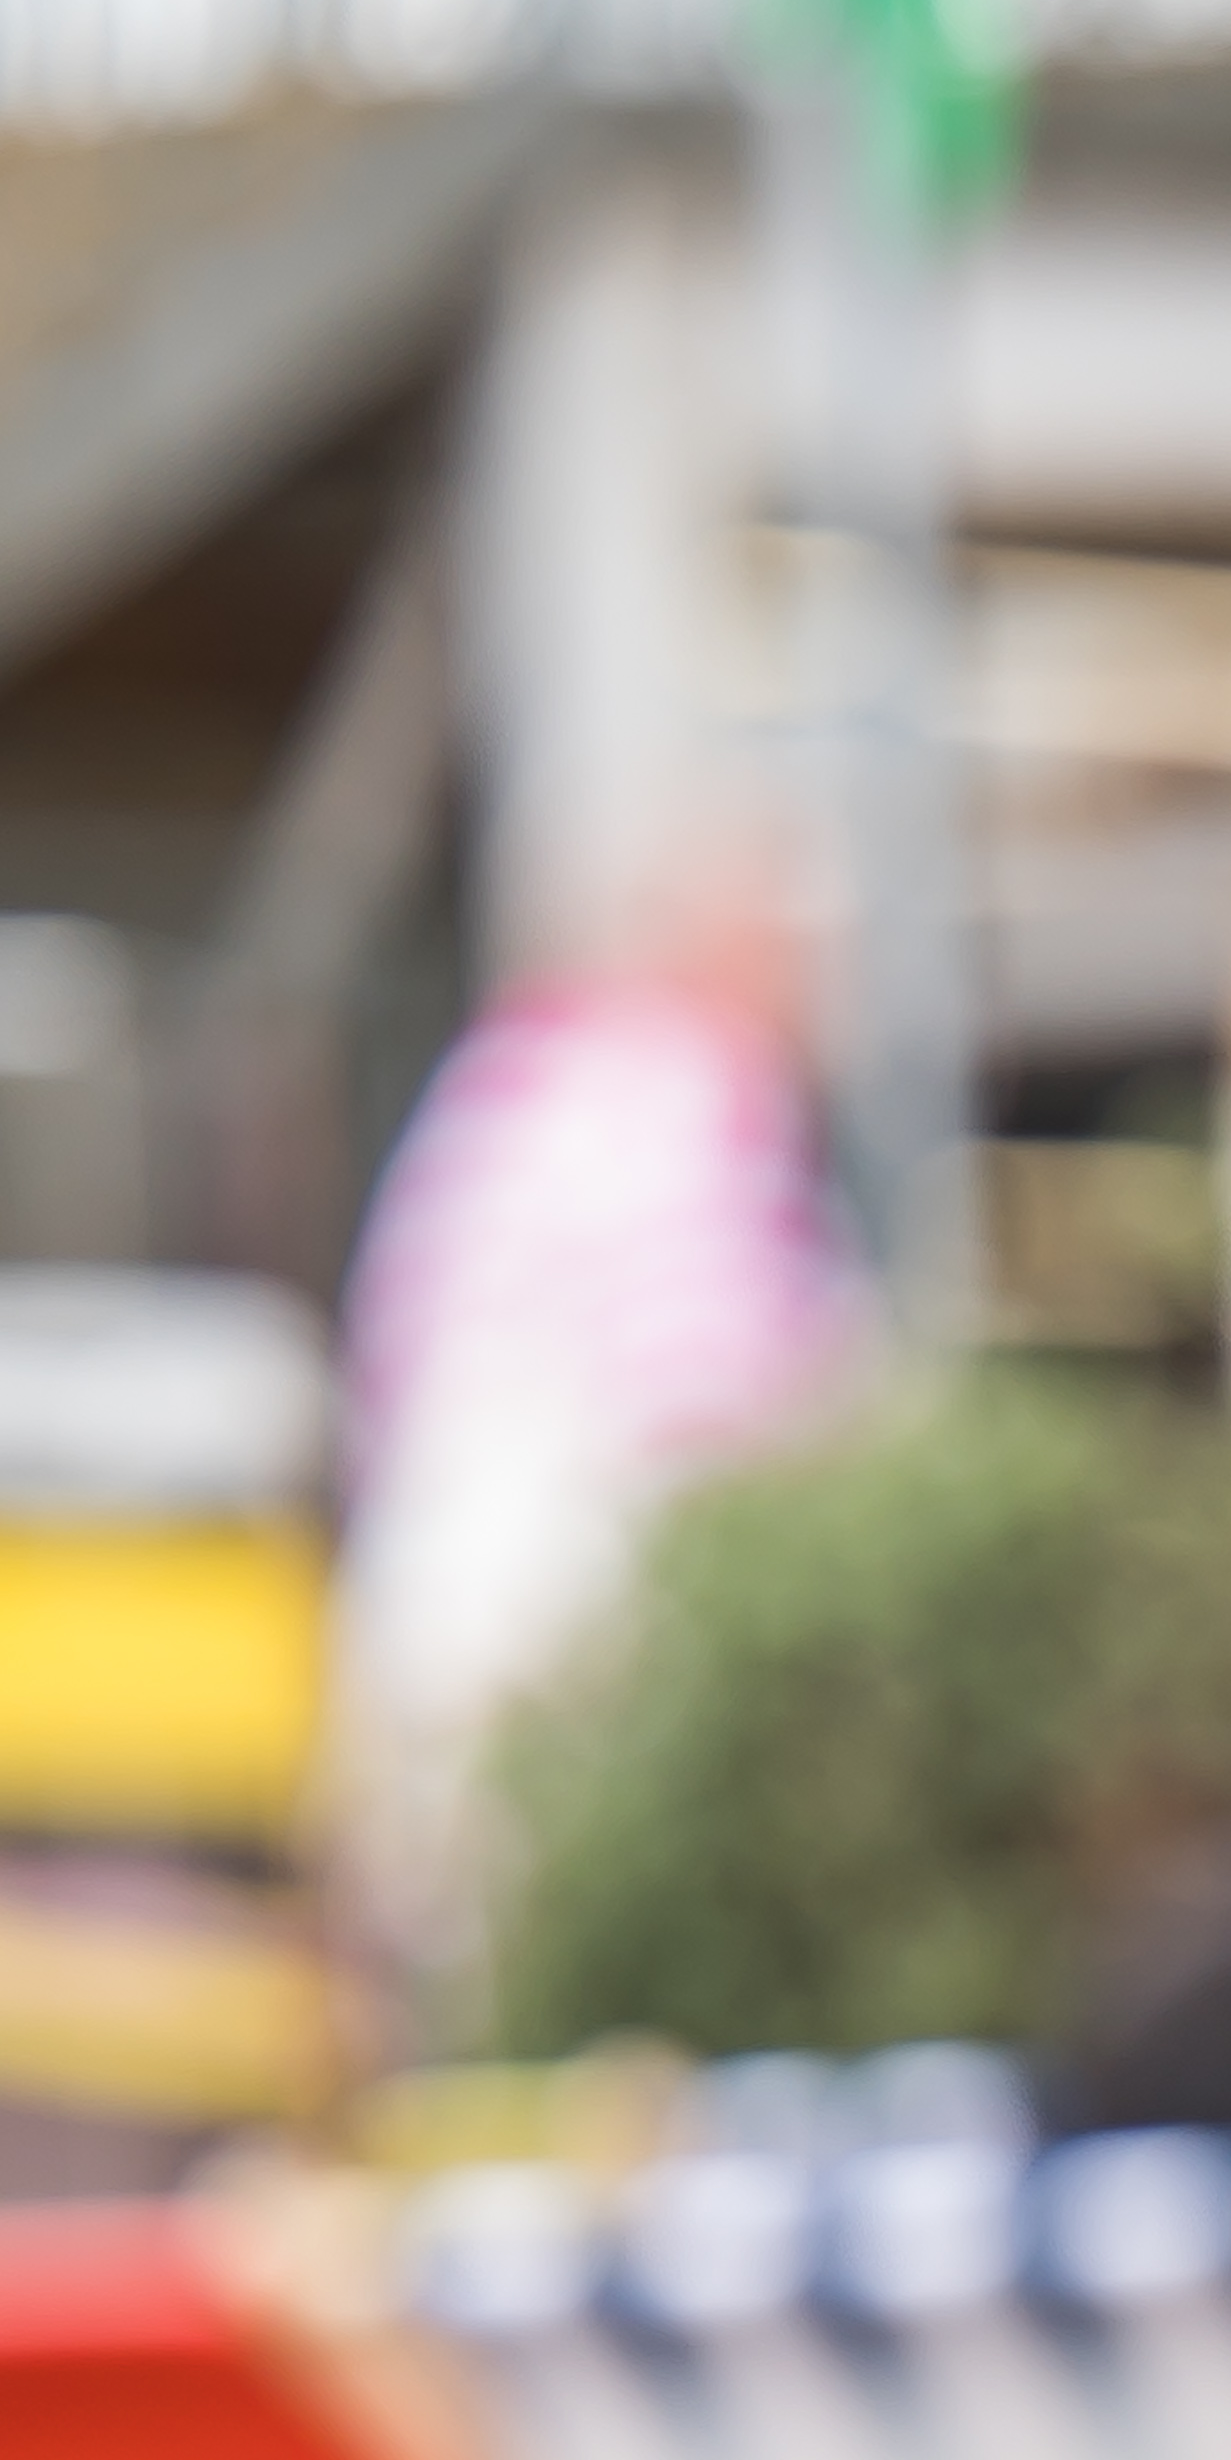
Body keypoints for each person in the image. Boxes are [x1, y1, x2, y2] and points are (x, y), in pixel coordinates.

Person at [327, 832, 873, 1959]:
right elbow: (726, 1428)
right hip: (586, 1669)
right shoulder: (683, 1095)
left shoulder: (503, 1088)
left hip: (433, 1642)